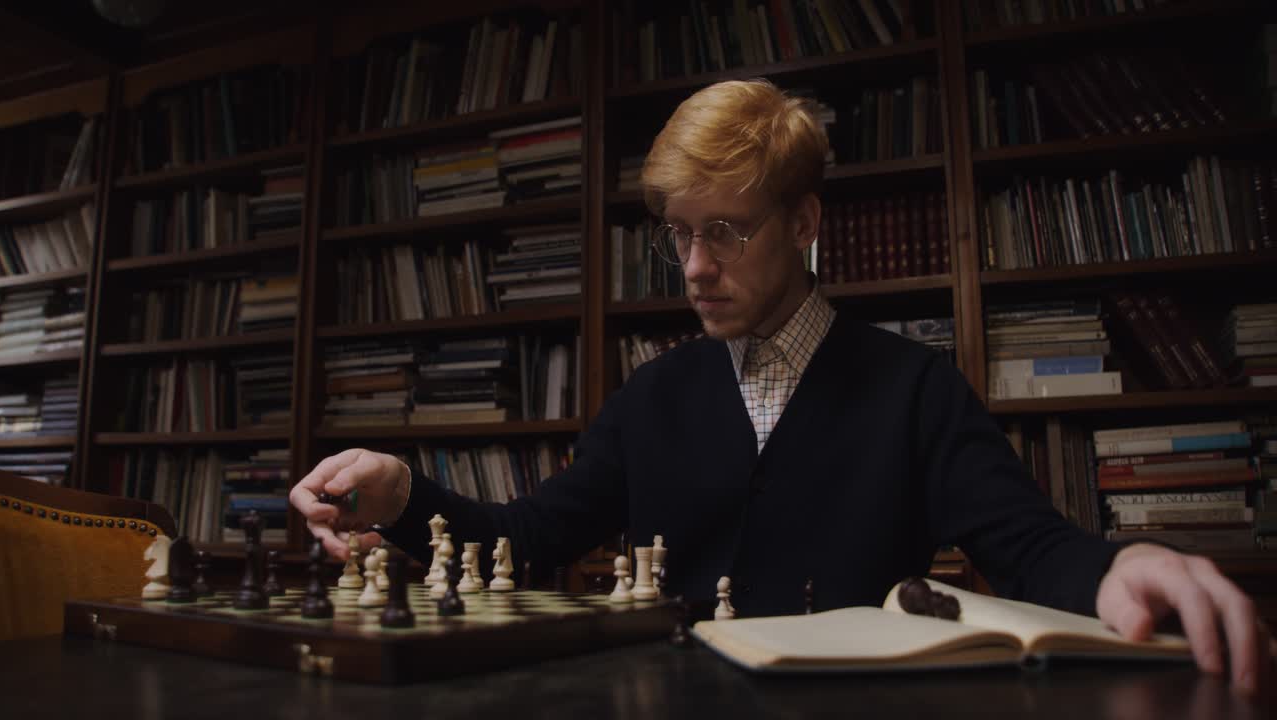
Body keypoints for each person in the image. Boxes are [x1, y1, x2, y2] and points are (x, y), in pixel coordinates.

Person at [293, 79, 1272, 693]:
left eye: (726, 232)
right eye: (679, 234)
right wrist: (404, 491)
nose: (693, 267)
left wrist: (1118, 569)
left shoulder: (914, 389)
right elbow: (531, 538)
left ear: (804, 223)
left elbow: (1027, 548)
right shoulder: (652, 397)